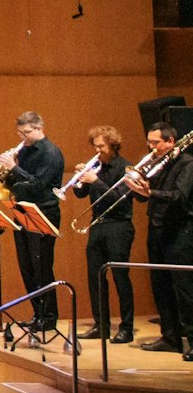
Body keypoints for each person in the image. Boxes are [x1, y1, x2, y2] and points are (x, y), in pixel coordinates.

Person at [129, 123, 193, 357]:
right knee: (161, 286)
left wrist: (151, 192)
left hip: (180, 232)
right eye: (149, 142)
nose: (151, 146)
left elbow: (180, 196)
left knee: (184, 289)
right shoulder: (157, 164)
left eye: (156, 142)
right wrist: (137, 188)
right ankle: (170, 337)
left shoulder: (187, 163)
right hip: (156, 229)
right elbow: (145, 198)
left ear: (170, 141)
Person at [0, 111, 64, 332]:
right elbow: (18, 182)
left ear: (38, 128)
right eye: (20, 132)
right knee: (26, 267)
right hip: (22, 212)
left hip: (43, 212)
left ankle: (49, 317)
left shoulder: (51, 153)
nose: (22, 137)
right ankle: (38, 314)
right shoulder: (23, 151)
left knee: (42, 267)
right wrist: (8, 171)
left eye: (26, 132)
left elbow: (38, 185)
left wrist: (15, 168)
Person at [71, 125, 134, 342]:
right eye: (95, 145)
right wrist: (80, 179)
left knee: (120, 277)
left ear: (113, 145)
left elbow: (119, 198)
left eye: (102, 145)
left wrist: (95, 181)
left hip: (119, 226)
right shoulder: (95, 166)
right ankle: (101, 325)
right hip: (97, 225)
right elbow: (80, 194)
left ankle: (126, 327)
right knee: (95, 277)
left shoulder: (126, 167)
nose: (97, 150)